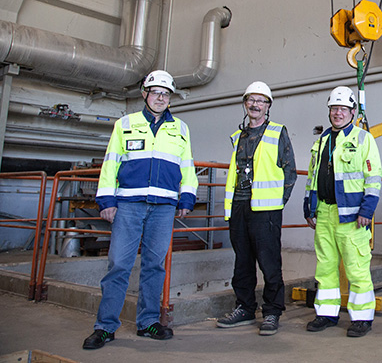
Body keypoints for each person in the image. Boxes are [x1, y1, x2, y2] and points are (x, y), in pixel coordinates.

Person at [83, 70, 198, 350]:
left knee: (154, 265)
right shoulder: (125, 124)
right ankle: (105, 326)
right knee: (119, 264)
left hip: (164, 207)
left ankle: (148, 322)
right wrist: (106, 200)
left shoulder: (181, 128)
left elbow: (187, 166)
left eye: (166, 94)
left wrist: (187, 197)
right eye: (156, 92)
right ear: (145, 94)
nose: (161, 98)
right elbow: (111, 163)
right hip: (129, 204)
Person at [216, 82, 296, 336]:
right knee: (242, 262)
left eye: (261, 101)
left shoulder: (277, 132)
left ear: (268, 106)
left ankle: (272, 311)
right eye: (251, 99)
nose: (255, 105)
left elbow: (290, 171)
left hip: (266, 210)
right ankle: (245, 307)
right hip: (239, 206)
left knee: (269, 262)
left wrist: (277, 202)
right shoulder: (238, 136)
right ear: (245, 103)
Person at [303, 86, 382, 338]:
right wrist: (309, 206)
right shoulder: (321, 141)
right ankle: (326, 314)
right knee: (325, 267)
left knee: (356, 268)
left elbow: (373, 178)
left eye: (343, 109)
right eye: (334, 108)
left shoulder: (363, 139)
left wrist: (367, 210)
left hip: (353, 216)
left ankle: (362, 318)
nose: (338, 113)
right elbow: (312, 177)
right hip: (324, 213)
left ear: (352, 112)